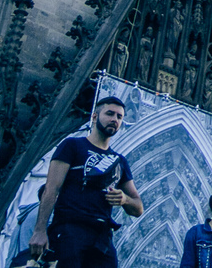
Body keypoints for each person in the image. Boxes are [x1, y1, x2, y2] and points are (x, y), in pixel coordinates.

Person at [28, 96, 144, 267]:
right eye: (110, 114)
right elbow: (51, 189)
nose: (115, 120)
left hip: (102, 237)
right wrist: (39, 230)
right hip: (69, 230)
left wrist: (124, 199)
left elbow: (138, 208)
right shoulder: (72, 146)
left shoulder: (120, 161)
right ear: (95, 116)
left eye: (119, 117)